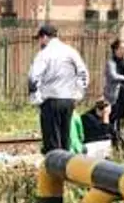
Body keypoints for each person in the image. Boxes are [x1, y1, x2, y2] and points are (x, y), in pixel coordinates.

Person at [28, 24, 89, 153]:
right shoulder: (71, 51)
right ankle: (65, 169)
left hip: (50, 100)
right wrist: (78, 94)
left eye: (39, 39)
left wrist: (36, 99)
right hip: (68, 100)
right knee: (65, 139)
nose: (39, 42)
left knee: (52, 142)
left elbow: (33, 77)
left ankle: (53, 170)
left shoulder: (44, 54)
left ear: (44, 37)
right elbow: (83, 73)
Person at [103, 39, 124, 148]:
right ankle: (110, 139)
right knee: (112, 117)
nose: (123, 51)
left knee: (122, 118)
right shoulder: (111, 62)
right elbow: (112, 76)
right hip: (112, 95)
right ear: (115, 50)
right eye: (121, 48)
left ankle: (119, 139)